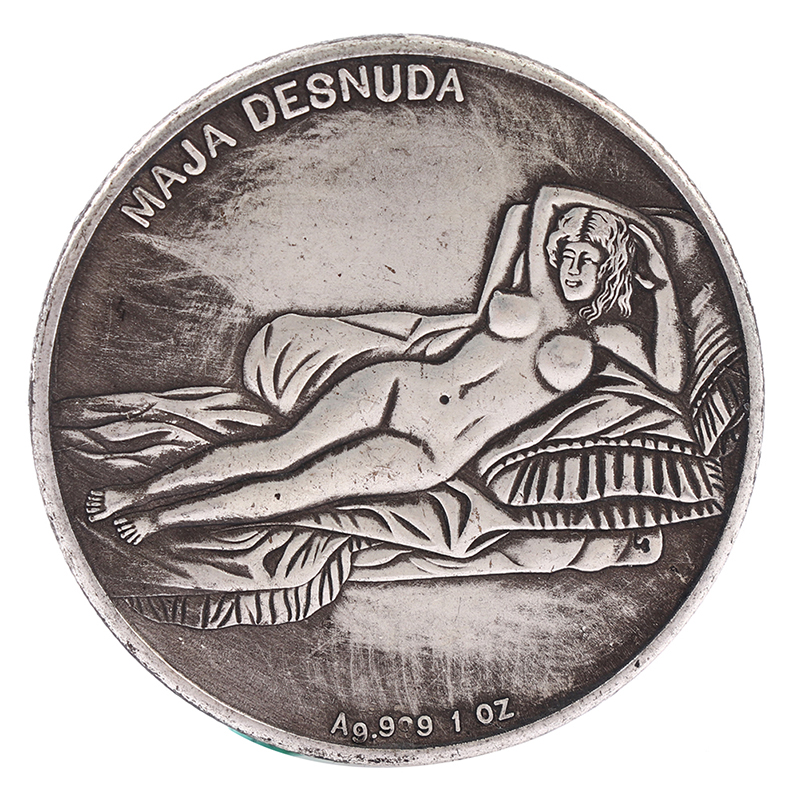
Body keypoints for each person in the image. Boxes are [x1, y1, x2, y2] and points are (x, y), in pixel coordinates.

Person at [85, 186, 687, 545]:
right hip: (403, 384)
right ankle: (137, 492)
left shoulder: (606, 336)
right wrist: (630, 226)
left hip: (433, 449)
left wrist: (657, 273)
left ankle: (165, 519)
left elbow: (671, 377)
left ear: (611, 264)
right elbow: (548, 198)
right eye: (567, 253)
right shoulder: (535, 290)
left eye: (587, 258)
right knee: (278, 448)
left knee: (299, 488)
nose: (572, 267)